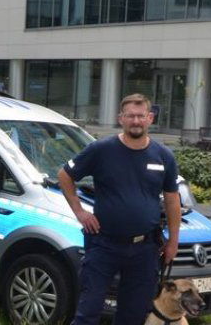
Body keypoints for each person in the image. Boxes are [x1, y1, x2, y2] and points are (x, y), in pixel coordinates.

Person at [57, 93, 181, 325]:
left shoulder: (164, 156)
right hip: (104, 245)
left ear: (150, 118)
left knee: (133, 316)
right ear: (120, 118)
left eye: (140, 116)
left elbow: (173, 200)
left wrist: (173, 241)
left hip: (145, 249)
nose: (136, 121)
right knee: (88, 312)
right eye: (130, 116)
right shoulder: (101, 149)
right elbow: (64, 176)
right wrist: (80, 212)